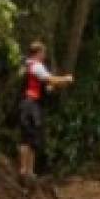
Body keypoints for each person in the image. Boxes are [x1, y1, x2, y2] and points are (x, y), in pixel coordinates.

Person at [18, 41, 74, 181]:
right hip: (31, 104)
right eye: (43, 53)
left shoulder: (26, 66)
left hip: (27, 103)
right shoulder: (36, 65)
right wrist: (65, 79)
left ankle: (27, 171)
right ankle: (26, 171)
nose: (44, 56)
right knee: (30, 137)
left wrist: (50, 87)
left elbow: (42, 85)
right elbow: (49, 79)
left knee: (29, 137)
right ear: (38, 53)